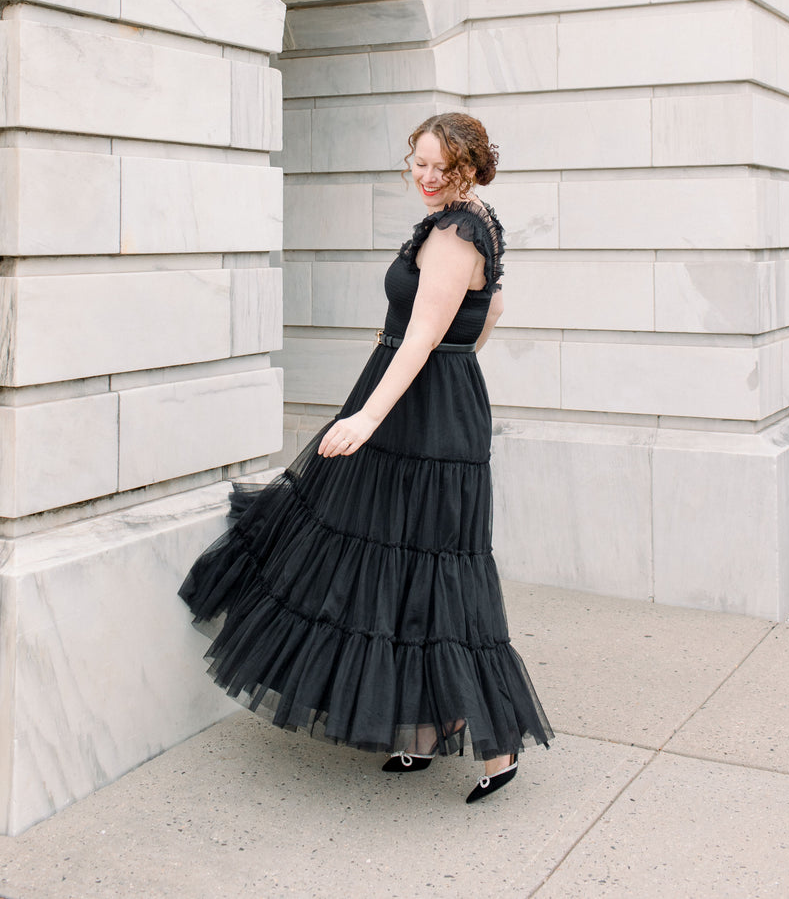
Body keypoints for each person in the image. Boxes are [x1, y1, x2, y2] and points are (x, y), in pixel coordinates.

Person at [179, 111, 553, 804]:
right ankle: (421, 728)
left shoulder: (457, 231)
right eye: (418, 162)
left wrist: (372, 414)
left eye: (443, 166)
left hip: (416, 413)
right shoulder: (472, 218)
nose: (427, 176)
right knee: (400, 563)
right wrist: (449, 376)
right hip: (430, 402)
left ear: (471, 165)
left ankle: (495, 748)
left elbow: (421, 336)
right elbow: (492, 313)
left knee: (435, 570)